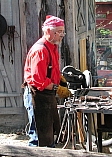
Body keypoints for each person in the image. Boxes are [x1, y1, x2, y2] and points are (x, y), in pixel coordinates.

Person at [23, 15, 70, 147]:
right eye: (59, 32)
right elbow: (39, 80)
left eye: (62, 32)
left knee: (48, 133)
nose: (62, 35)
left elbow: (50, 69)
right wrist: (57, 89)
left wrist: (59, 79)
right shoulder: (41, 50)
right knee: (38, 135)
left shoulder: (53, 47)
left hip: (45, 94)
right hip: (36, 95)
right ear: (48, 31)